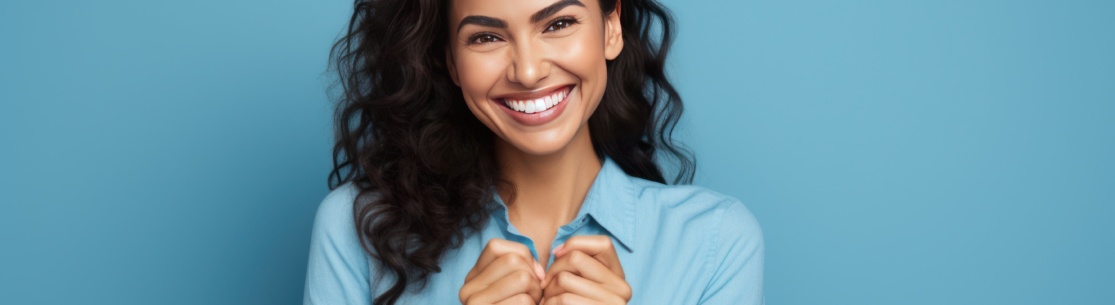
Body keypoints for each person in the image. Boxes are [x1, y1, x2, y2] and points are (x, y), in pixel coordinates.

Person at [303, 0, 764, 304]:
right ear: (451, 62)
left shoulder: (715, 242)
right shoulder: (357, 229)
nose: (527, 71)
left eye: (559, 24)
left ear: (611, 27)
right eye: (486, 37)